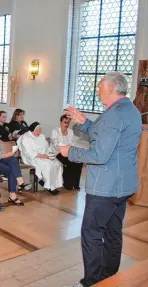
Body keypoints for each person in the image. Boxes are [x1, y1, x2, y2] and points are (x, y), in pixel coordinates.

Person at [59, 72, 142, 287]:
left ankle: (92, 282)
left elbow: (99, 155)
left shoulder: (113, 115)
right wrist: (83, 122)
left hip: (105, 187)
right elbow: (103, 133)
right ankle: (109, 277)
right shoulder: (131, 110)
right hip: (123, 185)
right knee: (113, 232)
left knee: (92, 234)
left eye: (99, 87)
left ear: (110, 88)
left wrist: (71, 152)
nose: (97, 91)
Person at [18, 122, 62, 195]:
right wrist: (44, 156)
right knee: (47, 164)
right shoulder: (25, 138)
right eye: (39, 129)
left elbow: (46, 148)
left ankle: (54, 185)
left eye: (41, 129)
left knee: (57, 163)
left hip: (44, 156)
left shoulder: (41, 136)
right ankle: (48, 186)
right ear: (34, 130)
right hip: (32, 158)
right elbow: (29, 153)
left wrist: (50, 153)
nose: (40, 131)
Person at [50, 115, 83, 190]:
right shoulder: (55, 131)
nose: (66, 124)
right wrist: (67, 147)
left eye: (68, 122)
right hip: (57, 152)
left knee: (79, 161)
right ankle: (68, 184)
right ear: (61, 122)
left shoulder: (70, 132)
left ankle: (76, 184)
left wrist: (70, 147)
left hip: (68, 151)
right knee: (70, 162)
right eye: (65, 122)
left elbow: (73, 143)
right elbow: (56, 145)